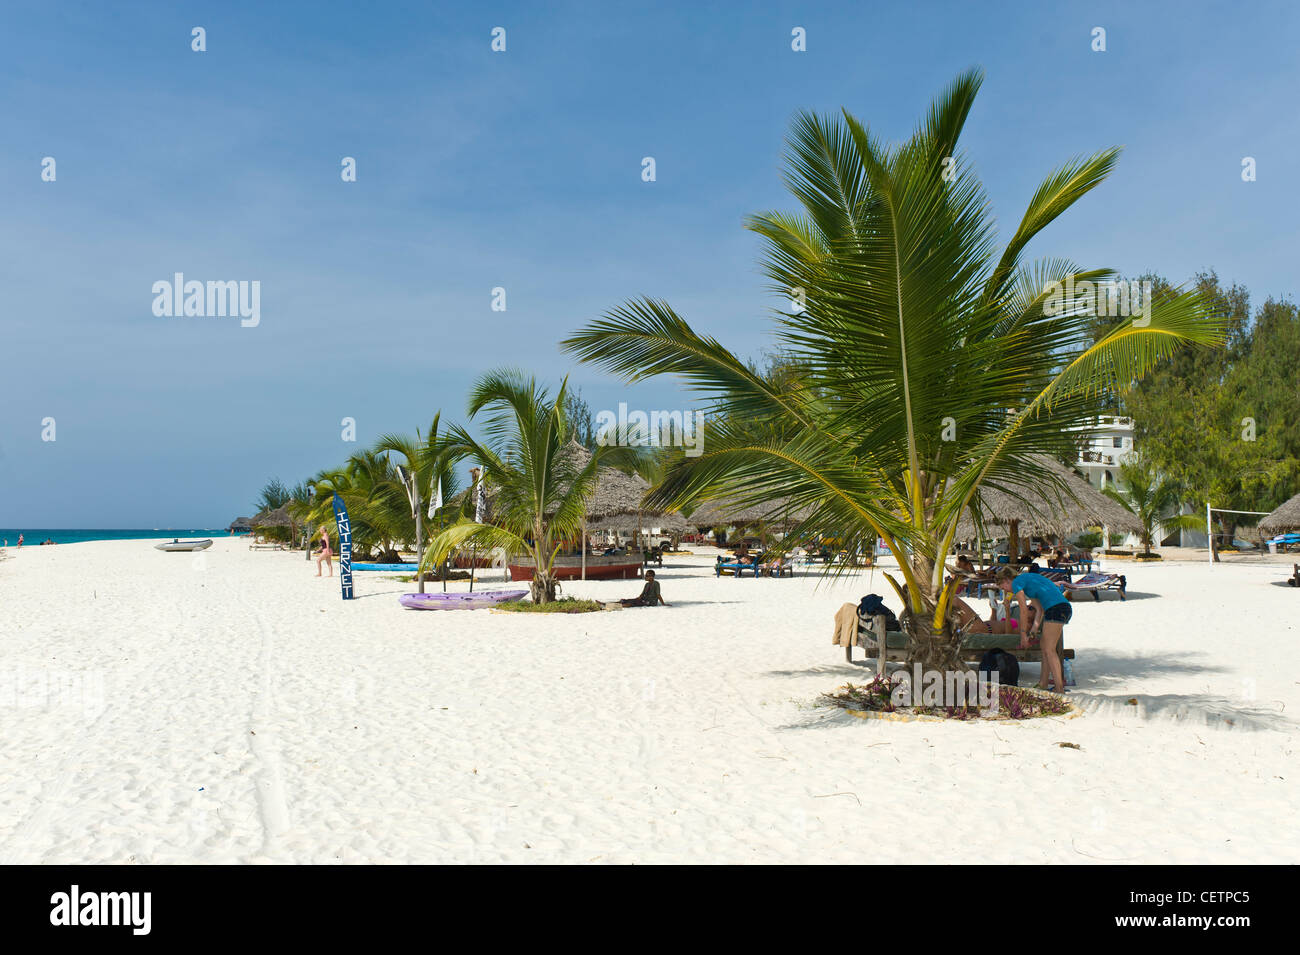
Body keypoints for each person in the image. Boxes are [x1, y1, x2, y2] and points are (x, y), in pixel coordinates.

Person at [996, 566, 1071, 692]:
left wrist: (1023, 635)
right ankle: (1043, 683)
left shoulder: (1017, 583)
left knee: (1049, 650)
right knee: (1044, 647)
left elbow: (1023, 611)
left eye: (1004, 587)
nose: (1007, 591)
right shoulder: (1028, 580)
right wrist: (1033, 630)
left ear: (1007, 580)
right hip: (1061, 608)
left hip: (1056, 609)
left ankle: (1059, 689)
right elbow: (1039, 610)